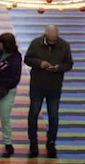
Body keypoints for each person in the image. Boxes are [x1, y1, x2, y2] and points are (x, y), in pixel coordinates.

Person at [24, 25, 74, 157]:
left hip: (55, 86)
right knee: (33, 114)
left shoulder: (64, 46)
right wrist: (40, 63)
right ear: (45, 35)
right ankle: (33, 142)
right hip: (37, 86)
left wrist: (59, 67)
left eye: (55, 40)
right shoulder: (35, 44)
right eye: (51, 40)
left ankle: (51, 142)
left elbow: (69, 64)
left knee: (53, 116)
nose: (53, 42)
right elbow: (27, 59)